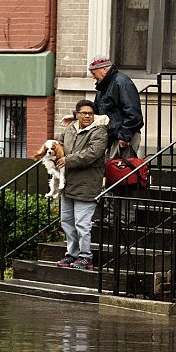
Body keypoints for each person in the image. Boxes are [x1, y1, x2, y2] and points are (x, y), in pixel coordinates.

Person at [54, 99, 109, 271]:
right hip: (68, 184)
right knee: (67, 221)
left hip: (87, 184)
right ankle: (72, 254)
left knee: (82, 224)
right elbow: (60, 144)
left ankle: (86, 257)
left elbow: (92, 154)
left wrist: (67, 160)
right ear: (76, 114)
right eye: (83, 113)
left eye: (90, 113)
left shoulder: (99, 132)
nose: (87, 116)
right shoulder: (70, 128)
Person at [88, 55, 144, 158]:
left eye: (93, 73)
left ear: (104, 69)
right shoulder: (105, 85)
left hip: (121, 137)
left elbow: (134, 114)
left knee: (121, 171)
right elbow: (96, 110)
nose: (93, 76)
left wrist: (124, 136)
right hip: (114, 136)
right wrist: (77, 116)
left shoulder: (122, 82)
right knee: (114, 170)